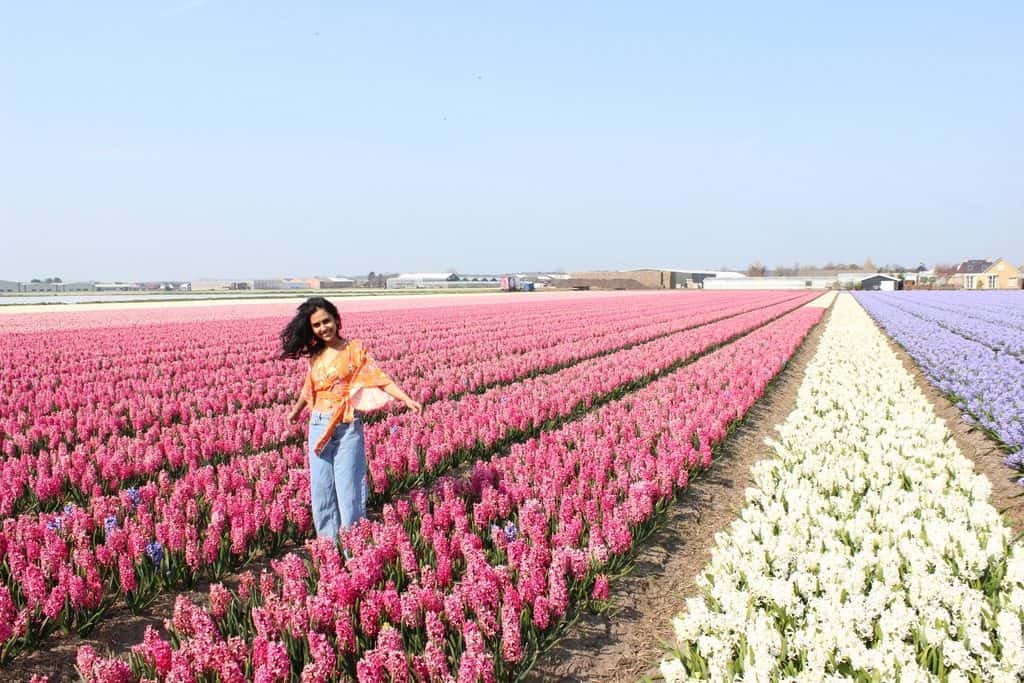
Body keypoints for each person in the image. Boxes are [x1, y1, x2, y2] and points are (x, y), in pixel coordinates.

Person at [280, 297, 421, 540]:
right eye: (317, 325)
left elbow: (379, 377)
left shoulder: (353, 350)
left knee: (350, 490)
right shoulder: (316, 356)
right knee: (322, 490)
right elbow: (309, 388)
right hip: (318, 425)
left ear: (336, 319)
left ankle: (353, 549)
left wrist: (405, 398)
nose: (324, 327)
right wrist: (296, 411)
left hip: (346, 426)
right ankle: (328, 550)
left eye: (327, 321)